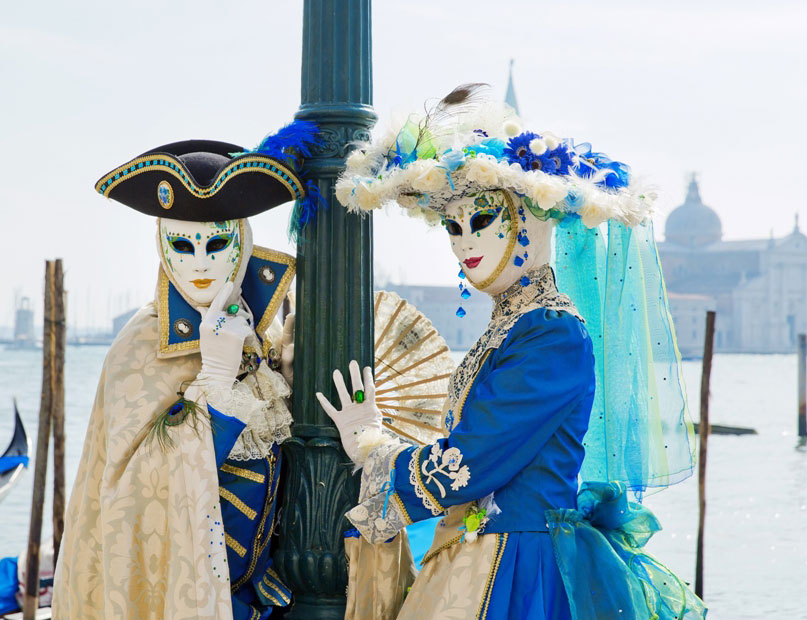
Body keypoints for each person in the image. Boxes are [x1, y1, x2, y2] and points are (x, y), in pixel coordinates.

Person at [323, 83, 707, 619]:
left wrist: (371, 445)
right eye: (452, 228)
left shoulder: (552, 335)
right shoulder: (512, 328)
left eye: (481, 221)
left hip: (514, 573)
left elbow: (471, 462)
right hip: (473, 556)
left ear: (530, 219)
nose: (463, 243)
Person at [53, 123, 321, 620]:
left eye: (216, 246)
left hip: (261, 599)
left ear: (242, 243)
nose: (199, 264)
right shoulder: (139, 347)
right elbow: (133, 494)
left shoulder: (260, 337)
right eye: (182, 245)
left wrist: (291, 383)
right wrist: (213, 387)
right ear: (162, 244)